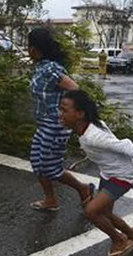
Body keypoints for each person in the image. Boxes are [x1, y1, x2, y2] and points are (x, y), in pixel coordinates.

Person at [59, 90, 133, 256]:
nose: (61, 114)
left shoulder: (94, 136)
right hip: (108, 174)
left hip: (122, 176)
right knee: (104, 213)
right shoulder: (86, 127)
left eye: (64, 110)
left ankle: (119, 240)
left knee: (91, 211)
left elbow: (127, 146)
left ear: (80, 114)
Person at [28, 28, 94, 212]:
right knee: (37, 163)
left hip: (55, 125)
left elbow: (76, 89)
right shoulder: (41, 67)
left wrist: (69, 114)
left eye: (29, 46)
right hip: (43, 123)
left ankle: (83, 188)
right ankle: (50, 200)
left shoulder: (51, 69)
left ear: (34, 48)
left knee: (50, 167)